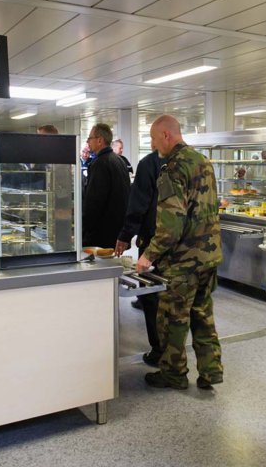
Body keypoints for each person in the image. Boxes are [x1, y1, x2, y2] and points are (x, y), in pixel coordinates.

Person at [137, 114, 223, 391]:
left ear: (166, 135)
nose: (153, 144)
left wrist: (148, 255)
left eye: (153, 138)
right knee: (202, 313)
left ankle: (173, 374)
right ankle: (211, 371)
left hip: (183, 260)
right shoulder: (203, 162)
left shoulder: (172, 169)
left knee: (172, 318)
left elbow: (171, 225)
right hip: (208, 256)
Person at [115, 147, 164, 366]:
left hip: (154, 238)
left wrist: (125, 235)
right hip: (183, 245)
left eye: (153, 138)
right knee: (174, 299)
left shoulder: (149, 163)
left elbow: (139, 202)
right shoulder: (193, 162)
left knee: (151, 295)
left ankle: (159, 350)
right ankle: (173, 352)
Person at [83, 123, 131, 247]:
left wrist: (84, 229)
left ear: (99, 140)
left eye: (90, 138)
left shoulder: (100, 163)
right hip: (117, 230)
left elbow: (94, 201)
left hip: (101, 233)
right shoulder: (119, 160)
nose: (88, 141)